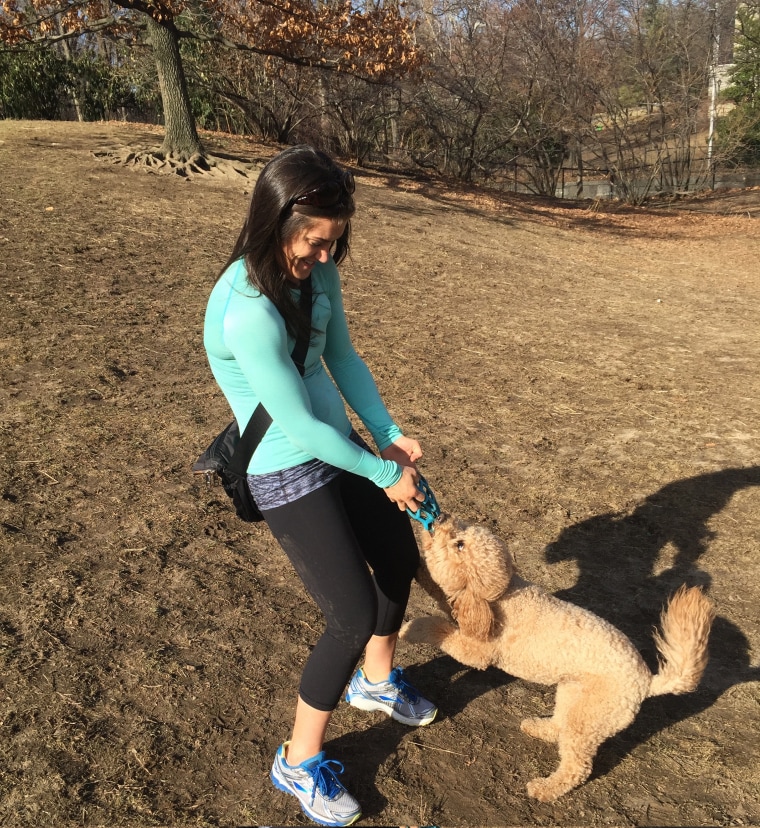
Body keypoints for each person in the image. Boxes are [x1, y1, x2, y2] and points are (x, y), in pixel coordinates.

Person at [203, 144, 437, 827]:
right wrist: (385, 472)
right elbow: (300, 427)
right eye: (314, 243)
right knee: (351, 614)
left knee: (396, 557)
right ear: (274, 223)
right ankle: (298, 762)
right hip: (284, 466)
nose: (327, 257)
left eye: (335, 242)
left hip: (343, 448)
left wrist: (386, 433)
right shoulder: (246, 310)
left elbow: (340, 354)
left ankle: (377, 681)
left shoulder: (317, 271)